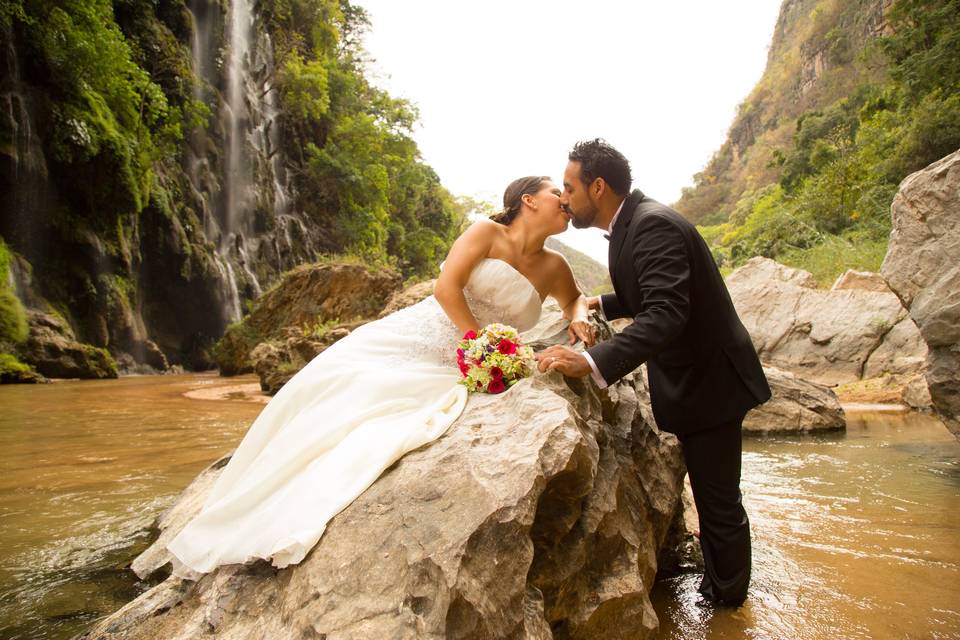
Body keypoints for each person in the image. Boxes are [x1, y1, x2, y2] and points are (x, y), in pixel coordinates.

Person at [166, 176, 596, 577]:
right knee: (352, 392)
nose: (565, 200)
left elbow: (574, 299)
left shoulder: (555, 265)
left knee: (394, 425)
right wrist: (477, 345)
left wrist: (578, 320)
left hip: (471, 361)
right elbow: (446, 289)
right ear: (528, 200)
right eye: (557, 191)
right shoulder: (485, 232)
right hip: (432, 336)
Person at [536, 139, 771, 606]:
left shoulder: (653, 226)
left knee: (719, 503)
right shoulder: (633, 224)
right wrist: (601, 302)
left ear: (597, 187)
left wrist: (590, 361)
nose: (564, 198)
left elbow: (666, 313)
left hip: (712, 383)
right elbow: (649, 292)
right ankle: (719, 587)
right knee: (712, 496)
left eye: (569, 187)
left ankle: (727, 607)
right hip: (697, 381)